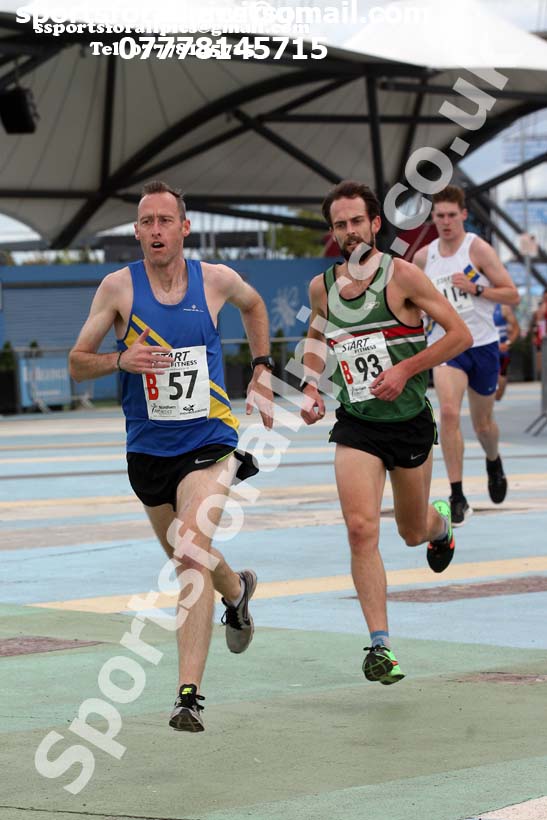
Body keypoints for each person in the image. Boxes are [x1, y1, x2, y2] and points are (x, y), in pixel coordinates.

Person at [69, 180, 274, 732]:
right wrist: (120, 360)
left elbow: (254, 307)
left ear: (184, 228)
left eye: (165, 220)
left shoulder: (215, 281)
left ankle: (188, 695)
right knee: (190, 554)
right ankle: (236, 591)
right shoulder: (117, 288)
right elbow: (76, 361)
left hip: (209, 439)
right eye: (146, 222)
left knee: (190, 550)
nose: (155, 230)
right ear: (136, 232)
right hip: (148, 450)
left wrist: (260, 368)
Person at [300, 180, 471, 685]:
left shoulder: (405, 278)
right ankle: (380, 646)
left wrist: (405, 369)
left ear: (375, 224)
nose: (350, 232)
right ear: (332, 232)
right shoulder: (322, 287)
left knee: (412, 531)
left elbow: (458, 335)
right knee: (360, 529)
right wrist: (312, 387)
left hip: (410, 423)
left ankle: (442, 527)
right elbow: (316, 337)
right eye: (340, 224)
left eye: (357, 221)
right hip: (359, 424)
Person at [413, 185, 520, 526]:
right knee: (447, 413)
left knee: (483, 425)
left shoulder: (478, 249)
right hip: (448, 347)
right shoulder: (423, 257)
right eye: (439, 216)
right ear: (433, 218)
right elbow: (411, 301)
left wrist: (476, 289)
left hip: (483, 345)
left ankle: (493, 460)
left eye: (450, 215)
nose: (445, 222)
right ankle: (457, 493)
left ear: (463, 215)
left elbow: (513, 295)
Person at [494, 303, 520, 401]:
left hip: (501, 353)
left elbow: (516, 328)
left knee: (499, 395)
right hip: (484, 352)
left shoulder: (503, 308)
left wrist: (508, 343)